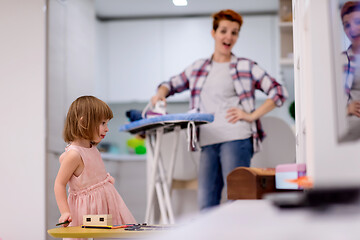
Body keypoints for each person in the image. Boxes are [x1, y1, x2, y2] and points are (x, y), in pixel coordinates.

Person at [150, 9, 288, 210]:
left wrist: (251, 115)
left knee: (238, 199)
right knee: (206, 204)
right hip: (208, 140)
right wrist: (161, 93)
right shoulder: (199, 67)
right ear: (213, 33)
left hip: (236, 138)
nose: (229, 37)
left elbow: (278, 91)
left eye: (234, 32)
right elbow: (170, 84)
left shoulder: (245, 66)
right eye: (223, 31)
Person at [54, 96, 136, 229]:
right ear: (84, 122)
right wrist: (65, 212)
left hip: (105, 203)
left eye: (107, 123)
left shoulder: (92, 148)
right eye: (103, 123)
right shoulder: (74, 155)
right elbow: (59, 184)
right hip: (88, 210)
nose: (107, 128)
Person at [341, 1, 360, 118]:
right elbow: (327, 102)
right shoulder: (340, 60)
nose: (352, 28)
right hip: (350, 133)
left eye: (357, 22)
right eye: (347, 25)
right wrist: (347, 109)